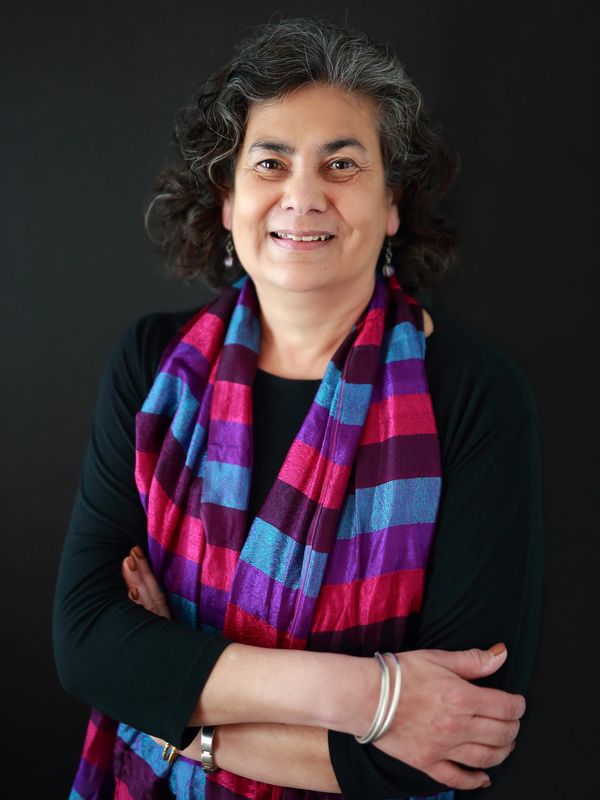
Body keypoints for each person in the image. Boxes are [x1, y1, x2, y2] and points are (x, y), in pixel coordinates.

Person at [53, 17, 543, 800]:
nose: (302, 196)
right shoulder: (151, 367)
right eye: (270, 162)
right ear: (227, 199)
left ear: (391, 206)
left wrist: (169, 699)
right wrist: (375, 697)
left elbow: (452, 740)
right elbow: (87, 648)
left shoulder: (477, 396)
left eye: (342, 164)